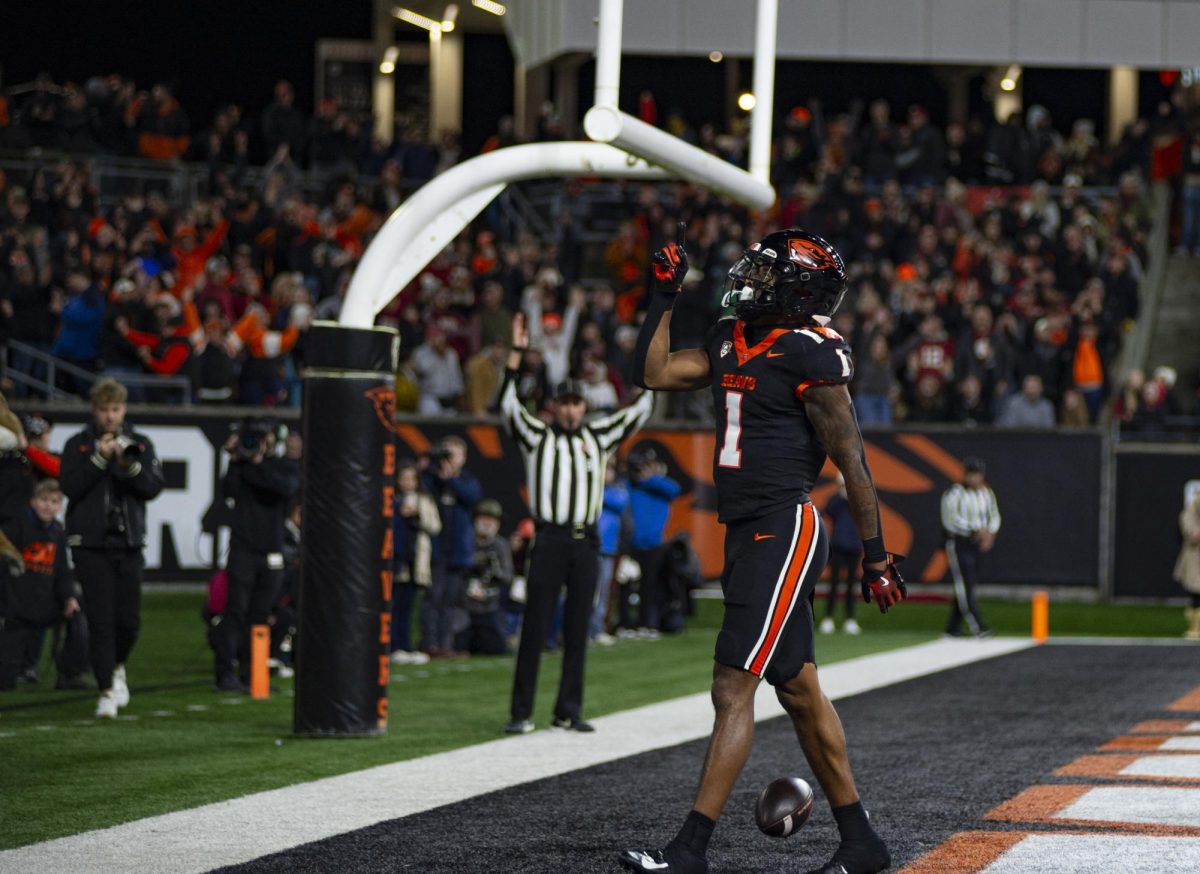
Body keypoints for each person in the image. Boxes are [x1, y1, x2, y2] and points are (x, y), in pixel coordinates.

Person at [623, 226, 905, 874]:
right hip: (750, 529)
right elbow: (656, 371)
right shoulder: (732, 338)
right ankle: (863, 844)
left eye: (768, 272)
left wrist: (877, 554)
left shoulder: (812, 352)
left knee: (732, 685)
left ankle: (690, 850)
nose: (753, 278)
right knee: (799, 690)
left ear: (798, 289)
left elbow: (852, 461)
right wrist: (662, 297)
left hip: (784, 525)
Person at [501, 312, 653, 734]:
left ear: (583, 406)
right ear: (554, 407)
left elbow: (639, 410)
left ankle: (569, 709)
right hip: (549, 539)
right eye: (564, 404)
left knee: (578, 627)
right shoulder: (537, 436)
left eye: (575, 404)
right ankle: (521, 712)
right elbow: (509, 406)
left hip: (586, 542)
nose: (570, 410)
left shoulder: (597, 435)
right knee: (535, 627)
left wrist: (645, 361)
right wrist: (515, 355)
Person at [60, 379, 164, 718]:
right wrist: (99, 460)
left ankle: (118, 665)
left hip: (129, 542)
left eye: (115, 409)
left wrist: (127, 464)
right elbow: (71, 487)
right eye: (103, 410)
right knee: (100, 620)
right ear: (94, 410)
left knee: (129, 621)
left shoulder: (140, 443)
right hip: (90, 544)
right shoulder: (77, 444)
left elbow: (151, 487)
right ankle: (105, 689)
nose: (109, 416)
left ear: (124, 409)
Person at [213, 420, 300, 691]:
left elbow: (285, 489)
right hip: (243, 550)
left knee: (261, 614)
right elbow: (228, 491)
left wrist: (256, 462)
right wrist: (236, 460)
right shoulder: (241, 468)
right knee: (235, 612)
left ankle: (255, 675)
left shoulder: (282, 466)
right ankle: (226, 672)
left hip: (271, 551)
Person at [0, 480, 81, 690]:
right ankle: (17, 669)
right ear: (33, 502)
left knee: (82, 614)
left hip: (44, 606)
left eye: (54, 501)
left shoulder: (58, 533)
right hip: (15, 610)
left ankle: (70, 672)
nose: (48, 506)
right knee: (5, 680)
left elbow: (63, 572)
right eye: (43, 500)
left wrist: (69, 598)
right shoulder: (16, 526)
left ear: (60, 506)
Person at [421, 436, 481, 658]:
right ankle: (429, 643)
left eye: (453, 454)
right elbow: (421, 489)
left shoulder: (466, 480)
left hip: (458, 552)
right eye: (445, 453)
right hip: (437, 549)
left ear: (463, 458)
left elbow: (472, 497)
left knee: (449, 602)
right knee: (432, 598)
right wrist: (428, 469)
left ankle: (445, 644)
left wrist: (451, 479)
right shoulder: (432, 479)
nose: (449, 459)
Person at [940, 457, 1001, 638]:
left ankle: (952, 627)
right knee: (965, 584)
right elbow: (950, 520)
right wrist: (976, 530)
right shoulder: (954, 493)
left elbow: (995, 515)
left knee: (968, 584)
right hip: (958, 542)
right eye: (971, 474)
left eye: (977, 474)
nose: (974, 478)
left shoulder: (986, 493)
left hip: (975, 544)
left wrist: (990, 532)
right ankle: (978, 625)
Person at [625, 446, 682, 636]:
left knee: (651, 586)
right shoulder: (631, 485)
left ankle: (648, 623)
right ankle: (628, 623)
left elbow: (675, 490)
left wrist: (651, 478)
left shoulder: (660, 485)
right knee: (627, 585)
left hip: (654, 543)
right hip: (632, 543)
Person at [390, 460, 440, 665]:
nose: (408, 483)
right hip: (396, 559)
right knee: (395, 604)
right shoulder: (391, 499)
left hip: (416, 560)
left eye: (411, 478)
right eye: (403, 478)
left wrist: (417, 515)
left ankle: (407, 645)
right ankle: (393, 646)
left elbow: (435, 526)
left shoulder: (424, 500)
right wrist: (398, 513)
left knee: (410, 606)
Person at [457, 499, 513, 655]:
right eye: (484, 518)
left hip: (489, 607)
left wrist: (493, 575)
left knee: (496, 648)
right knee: (460, 644)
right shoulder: (464, 541)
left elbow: (507, 577)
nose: (488, 523)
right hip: (463, 606)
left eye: (492, 520)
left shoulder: (501, 546)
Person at [592, 457, 629, 645]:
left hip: (607, 547)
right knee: (589, 590)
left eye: (609, 470)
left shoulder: (618, 490)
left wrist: (594, 487)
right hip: (590, 546)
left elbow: (620, 502)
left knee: (603, 590)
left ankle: (597, 628)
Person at [819, 474, 862, 635]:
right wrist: (841, 494)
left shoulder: (857, 499)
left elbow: (862, 510)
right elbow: (829, 510)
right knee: (834, 585)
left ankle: (850, 619)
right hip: (837, 546)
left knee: (851, 586)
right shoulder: (835, 500)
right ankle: (828, 618)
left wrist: (851, 494)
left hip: (854, 547)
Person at [1174, 481, 1200, 640]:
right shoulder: (1191, 510)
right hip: (1194, 559)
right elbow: (1192, 534)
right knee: (1196, 594)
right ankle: (1194, 627)